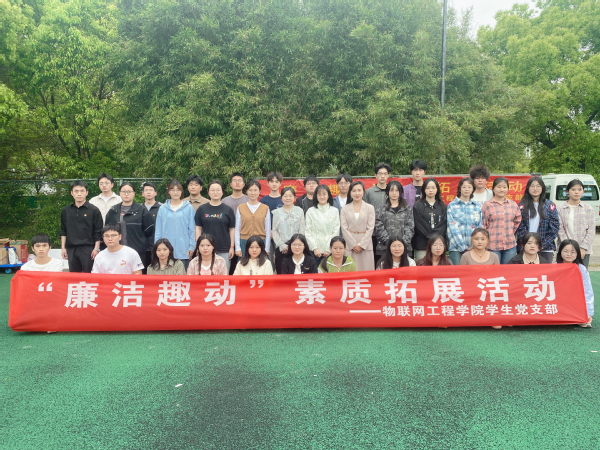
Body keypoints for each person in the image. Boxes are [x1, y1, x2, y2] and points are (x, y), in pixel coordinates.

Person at [105, 183, 154, 265]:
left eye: (129, 191)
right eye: (123, 191)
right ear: (119, 193)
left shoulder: (141, 210)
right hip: (116, 250)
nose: (126, 194)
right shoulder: (113, 210)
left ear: (134, 193)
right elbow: (107, 230)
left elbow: (149, 231)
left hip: (137, 251)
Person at [60, 180, 103, 273]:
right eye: (76, 191)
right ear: (72, 193)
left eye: (82, 191)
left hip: (88, 249)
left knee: (89, 276)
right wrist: (63, 248)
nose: (79, 194)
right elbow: (63, 230)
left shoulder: (94, 210)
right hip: (71, 248)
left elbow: (98, 231)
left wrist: (96, 248)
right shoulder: (66, 210)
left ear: (86, 193)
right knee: (74, 276)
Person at [154, 179, 196, 271]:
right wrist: (157, 247)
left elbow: (192, 229)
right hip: (165, 250)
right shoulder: (163, 208)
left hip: (184, 249)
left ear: (182, 192)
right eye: (172, 190)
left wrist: (192, 246)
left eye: (178, 190)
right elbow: (158, 230)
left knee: (182, 276)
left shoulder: (188, 207)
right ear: (169, 192)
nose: (175, 192)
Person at [194, 180, 236, 272]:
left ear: (222, 192)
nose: (215, 192)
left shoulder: (228, 210)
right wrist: (198, 246)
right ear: (208, 192)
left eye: (218, 190)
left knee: (223, 275)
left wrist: (232, 247)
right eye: (212, 190)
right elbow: (198, 228)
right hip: (206, 248)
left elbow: (232, 229)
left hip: (224, 248)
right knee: (206, 274)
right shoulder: (202, 209)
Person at [516, 177, 559, 258]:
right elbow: (519, 226)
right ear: (528, 188)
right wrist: (527, 243)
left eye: (538, 186)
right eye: (532, 186)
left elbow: (554, 227)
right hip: (525, 247)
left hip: (545, 248)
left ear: (542, 188)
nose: (535, 188)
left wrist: (541, 244)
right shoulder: (521, 206)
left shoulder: (549, 205)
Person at [482, 177, 522, 264]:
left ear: (507, 189)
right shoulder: (487, 205)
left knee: (508, 270)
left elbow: (517, 221)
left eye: (504, 187)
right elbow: (484, 225)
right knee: (493, 270)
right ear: (493, 188)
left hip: (510, 244)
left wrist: (510, 232)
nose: (502, 189)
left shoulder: (513, 204)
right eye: (499, 187)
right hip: (492, 245)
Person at [557, 179, 596, 268]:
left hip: (583, 251)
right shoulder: (560, 209)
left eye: (579, 189)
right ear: (567, 191)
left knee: (581, 273)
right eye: (573, 189)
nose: (576, 192)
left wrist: (582, 248)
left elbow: (591, 230)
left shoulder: (588, 209)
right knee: (564, 273)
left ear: (583, 191)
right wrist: (568, 248)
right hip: (564, 250)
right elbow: (559, 229)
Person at [556, 239, 593, 327]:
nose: (569, 254)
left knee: (583, 320)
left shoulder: (581, 269)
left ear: (577, 254)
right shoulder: (554, 267)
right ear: (560, 252)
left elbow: (587, 291)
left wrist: (588, 313)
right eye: (565, 251)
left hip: (575, 302)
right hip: (558, 302)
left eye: (573, 252)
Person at [340, 181, 376, 271]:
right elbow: (344, 228)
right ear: (350, 193)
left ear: (363, 192)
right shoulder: (344, 209)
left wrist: (361, 245)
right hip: (350, 245)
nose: (357, 193)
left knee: (366, 271)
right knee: (350, 271)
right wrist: (353, 245)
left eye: (359, 190)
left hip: (366, 245)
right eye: (354, 191)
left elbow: (370, 228)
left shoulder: (370, 208)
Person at [374, 181, 414, 262]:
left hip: (404, 248)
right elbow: (378, 227)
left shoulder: (407, 208)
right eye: (392, 190)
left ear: (400, 192)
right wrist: (389, 243)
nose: (394, 193)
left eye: (397, 190)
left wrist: (401, 244)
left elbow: (410, 227)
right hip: (384, 248)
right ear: (387, 192)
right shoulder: (381, 208)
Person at [447, 177, 482, 265]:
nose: (467, 189)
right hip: (456, 248)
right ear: (459, 188)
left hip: (474, 247)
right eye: (464, 187)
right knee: (458, 272)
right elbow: (452, 228)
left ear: (473, 189)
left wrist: (474, 245)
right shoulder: (452, 206)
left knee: (473, 272)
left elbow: (479, 227)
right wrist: (462, 247)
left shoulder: (477, 206)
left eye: (469, 187)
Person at [272, 187, 306, 274]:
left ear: (294, 197)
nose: (288, 198)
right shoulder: (276, 212)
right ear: (281, 198)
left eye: (290, 196)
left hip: (296, 248)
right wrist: (282, 245)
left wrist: (294, 245)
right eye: (285, 196)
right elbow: (274, 231)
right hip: (281, 249)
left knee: (296, 273)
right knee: (281, 274)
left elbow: (302, 230)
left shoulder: (299, 211)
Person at [412, 178, 447, 261]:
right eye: (427, 188)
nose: (430, 190)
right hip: (422, 245)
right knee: (422, 267)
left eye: (433, 188)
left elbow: (443, 224)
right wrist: (432, 238)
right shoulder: (417, 206)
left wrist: (435, 239)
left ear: (437, 189)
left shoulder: (443, 206)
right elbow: (419, 225)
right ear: (424, 189)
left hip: (439, 245)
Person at [305, 185, 340, 266]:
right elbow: (307, 231)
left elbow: (335, 231)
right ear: (316, 196)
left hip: (330, 250)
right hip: (314, 251)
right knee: (314, 273)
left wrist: (328, 249)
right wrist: (314, 248)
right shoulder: (310, 211)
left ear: (328, 195)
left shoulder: (334, 211)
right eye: (319, 194)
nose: (322, 197)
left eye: (324, 194)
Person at [235, 179, 271, 257]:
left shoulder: (265, 208)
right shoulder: (241, 207)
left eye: (255, 190)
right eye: (250, 190)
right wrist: (237, 248)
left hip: (260, 242)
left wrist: (267, 249)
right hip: (244, 242)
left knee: (260, 263)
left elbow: (267, 230)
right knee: (244, 263)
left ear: (259, 191)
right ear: (246, 191)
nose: (253, 193)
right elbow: (237, 229)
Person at [222, 172, 249, 275]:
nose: (237, 183)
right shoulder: (224, 201)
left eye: (240, 181)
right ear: (230, 184)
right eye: (235, 181)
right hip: (228, 238)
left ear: (243, 184)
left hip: (244, 238)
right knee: (229, 269)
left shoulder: (248, 199)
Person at [260, 171, 284, 270]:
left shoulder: (284, 199)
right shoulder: (263, 200)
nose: (274, 184)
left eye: (276, 181)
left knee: (281, 260)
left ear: (280, 183)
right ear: (267, 183)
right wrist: (268, 231)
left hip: (282, 235)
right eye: (272, 181)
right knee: (267, 259)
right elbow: (261, 218)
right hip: (267, 235)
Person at [141, 182, 162, 273]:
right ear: (143, 193)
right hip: (142, 247)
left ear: (155, 193)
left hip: (157, 246)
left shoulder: (162, 208)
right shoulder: (138, 208)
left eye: (151, 190)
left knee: (156, 272)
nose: (148, 192)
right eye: (146, 190)